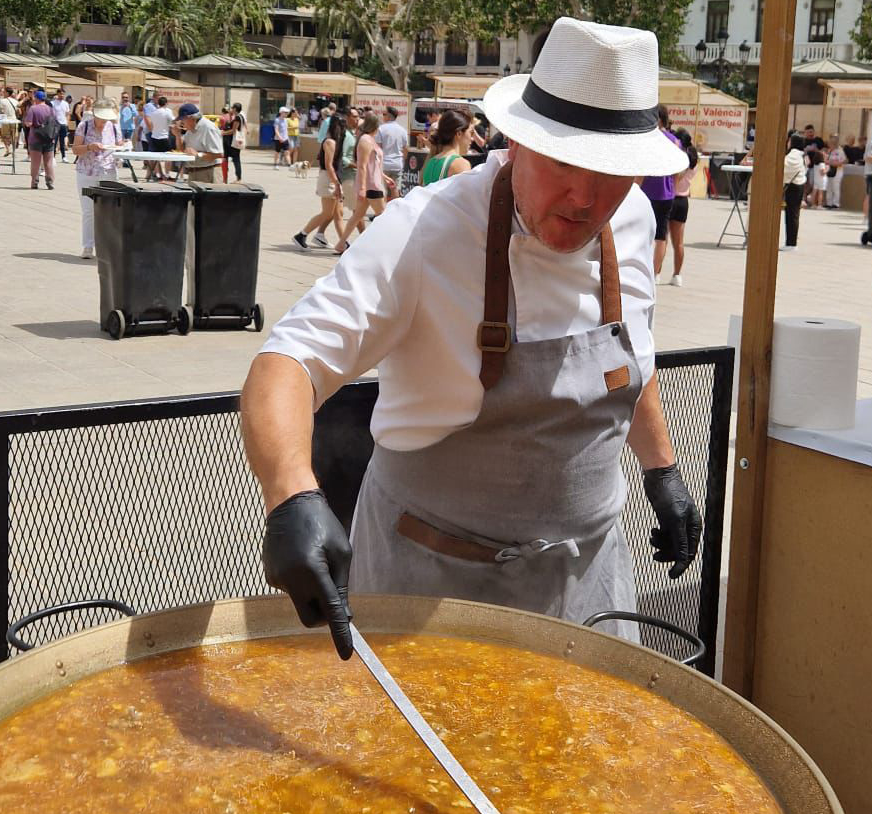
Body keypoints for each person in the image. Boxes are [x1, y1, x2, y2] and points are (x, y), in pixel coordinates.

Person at [242, 17, 701, 660]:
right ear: (516, 141)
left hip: (585, 580)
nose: (586, 197)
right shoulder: (424, 231)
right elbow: (286, 362)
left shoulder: (631, 217)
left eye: (612, 171)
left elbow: (631, 354)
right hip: (432, 585)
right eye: (567, 162)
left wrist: (663, 472)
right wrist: (291, 494)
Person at [73, 97, 125, 259]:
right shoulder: (84, 126)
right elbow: (75, 150)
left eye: (106, 118)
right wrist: (89, 147)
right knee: (89, 211)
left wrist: (122, 147)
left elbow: (120, 144)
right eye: (101, 118)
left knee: (109, 211)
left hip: (108, 172)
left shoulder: (114, 127)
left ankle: (108, 247)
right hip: (87, 173)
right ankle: (88, 246)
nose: (104, 122)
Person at [293, 113, 347, 249]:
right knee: (327, 213)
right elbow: (329, 165)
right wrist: (336, 184)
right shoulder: (330, 142)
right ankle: (301, 235)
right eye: (341, 125)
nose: (343, 128)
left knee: (338, 213)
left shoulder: (335, 141)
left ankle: (343, 243)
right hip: (328, 179)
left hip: (332, 178)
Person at [334, 112, 384, 253]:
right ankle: (376, 245)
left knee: (357, 216)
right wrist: (362, 188)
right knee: (383, 216)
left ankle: (341, 243)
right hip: (371, 185)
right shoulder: (366, 140)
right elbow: (362, 165)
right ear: (376, 125)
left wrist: (384, 177)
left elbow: (373, 164)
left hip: (372, 183)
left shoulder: (368, 139)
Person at [640, 105, 680, 277]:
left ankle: (645, 270)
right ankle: (655, 274)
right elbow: (677, 169)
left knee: (644, 233)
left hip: (646, 192)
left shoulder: (647, 139)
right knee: (661, 236)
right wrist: (674, 189)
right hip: (666, 194)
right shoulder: (674, 140)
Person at [666, 128, 697, 286]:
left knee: (662, 239)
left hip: (671, 198)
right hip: (684, 201)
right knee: (678, 242)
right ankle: (677, 274)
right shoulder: (693, 160)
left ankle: (656, 272)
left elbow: (675, 180)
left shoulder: (678, 159)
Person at [419, 107, 471, 185]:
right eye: (471, 132)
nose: (472, 138)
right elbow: (467, 196)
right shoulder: (460, 164)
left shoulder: (431, 162)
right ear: (459, 134)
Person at [177, 103, 223, 183]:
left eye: (182, 120)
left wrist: (198, 154)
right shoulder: (190, 130)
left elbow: (219, 154)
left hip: (208, 172)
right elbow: (182, 150)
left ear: (191, 118)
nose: (181, 122)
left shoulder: (208, 128)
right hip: (193, 173)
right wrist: (177, 135)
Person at [24, 90, 57, 190]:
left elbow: (28, 123)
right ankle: (50, 182)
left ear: (36, 98)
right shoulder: (51, 109)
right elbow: (54, 123)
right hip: (49, 138)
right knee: (48, 162)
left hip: (36, 138)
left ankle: (34, 182)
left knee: (35, 162)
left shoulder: (33, 109)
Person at [377, 106, 408, 204]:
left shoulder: (381, 129)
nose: (383, 116)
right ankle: (396, 210)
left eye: (384, 114)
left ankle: (382, 211)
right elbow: (405, 148)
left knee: (383, 190)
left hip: (384, 164)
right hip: (397, 163)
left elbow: (378, 148)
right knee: (395, 189)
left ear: (389, 116)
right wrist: (403, 160)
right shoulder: (402, 130)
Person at [781, 133, 807, 250]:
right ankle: (790, 243)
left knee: (792, 215)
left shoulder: (794, 154)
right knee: (792, 215)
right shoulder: (800, 154)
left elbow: (785, 166)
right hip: (798, 185)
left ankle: (791, 244)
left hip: (794, 187)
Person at [144, 94, 175, 179]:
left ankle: (157, 174)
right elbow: (172, 121)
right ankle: (167, 174)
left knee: (155, 157)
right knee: (169, 157)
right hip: (164, 136)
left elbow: (151, 123)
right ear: (166, 103)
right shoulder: (167, 112)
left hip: (154, 136)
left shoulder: (154, 113)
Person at [224, 103, 246, 181]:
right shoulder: (241, 116)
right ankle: (237, 177)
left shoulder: (237, 117)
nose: (231, 109)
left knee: (235, 159)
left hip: (233, 142)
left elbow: (233, 130)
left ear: (235, 109)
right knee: (235, 159)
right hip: (235, 141)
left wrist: (222, 133)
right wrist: (230, 115)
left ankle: (238, 178)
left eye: (232, 108)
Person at [825, 136, 846, 209]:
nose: (830, 144)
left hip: (837, 171)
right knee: (829, 187)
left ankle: (836, 203)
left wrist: (831, 163)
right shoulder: (830, 151)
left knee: (835, 187)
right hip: (830, 170)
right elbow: (826, 160)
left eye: (831, 143)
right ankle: (829, 203)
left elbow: (842, 161)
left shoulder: (840, 151)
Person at [51, 89, 71, 162]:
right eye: (60, 94)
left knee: (62, 141)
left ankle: (64, 156)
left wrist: (67, 122)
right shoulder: (53, 103)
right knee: (55, 141)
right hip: (55, 124)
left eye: (63, 94)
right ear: (57, 94)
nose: (62, 95)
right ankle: (53, 156)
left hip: (63, 124)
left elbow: (68, 113)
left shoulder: (65, 103)